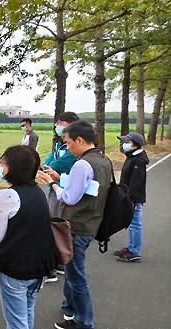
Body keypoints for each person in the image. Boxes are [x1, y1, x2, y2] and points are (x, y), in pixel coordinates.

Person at [0, 145, 57, 329]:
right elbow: (19, 219)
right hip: (39, 265)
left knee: (16, 322)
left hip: (17, 268)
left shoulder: (7, 195)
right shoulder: (37, 192)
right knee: (27, 311)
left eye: (3, 162)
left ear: (15, 167)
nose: (0, 165)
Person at [37, 120, 112, 329]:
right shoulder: (102, 159)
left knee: (76, 276)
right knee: (72, 271)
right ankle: (69, 308)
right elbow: (87, 188)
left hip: (77, 226)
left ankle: (84, 322)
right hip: (91, 223)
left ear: (80, 140)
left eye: (69, 143)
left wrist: (51, 183)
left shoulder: (82, 164)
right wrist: (60, 177)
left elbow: (69, 198)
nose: (67, 147)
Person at [42, 111, 80, 282]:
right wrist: (47, 167)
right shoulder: (59, 144)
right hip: (54, 186)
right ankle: (59, 262)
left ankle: (53, 265)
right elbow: (48, 162)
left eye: (61, 123)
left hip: (64, 189)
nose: (58, 126)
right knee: (55, 223)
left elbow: (58, 164)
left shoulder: (73, 146)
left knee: (56, 225)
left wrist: (50, 168)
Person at [114, 132, 148, 262]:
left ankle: (134, 251)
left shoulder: (138, 160)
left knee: (135, 224)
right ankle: (131, 247)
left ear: (135, 145)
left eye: (127, 142)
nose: (124, 144)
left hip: (134, 198)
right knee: (133, 224)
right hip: (130, 197)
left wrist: (130, 200)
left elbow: (136, 184)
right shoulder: (132, 157)